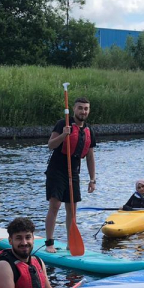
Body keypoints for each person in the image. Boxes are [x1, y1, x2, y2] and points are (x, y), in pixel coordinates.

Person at [45, 97, 96, 253]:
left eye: (86, 108)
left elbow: (90, 156)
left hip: (73, 172)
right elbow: (50, 145)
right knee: (55, 206)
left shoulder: (89, 130)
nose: (83, 111)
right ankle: (49, 243)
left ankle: (71, 242)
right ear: (74, 109)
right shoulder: (63, 124)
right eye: (80, 108)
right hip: (57, 170)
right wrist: (63, 135)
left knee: (72, 210)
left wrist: (92, 179)